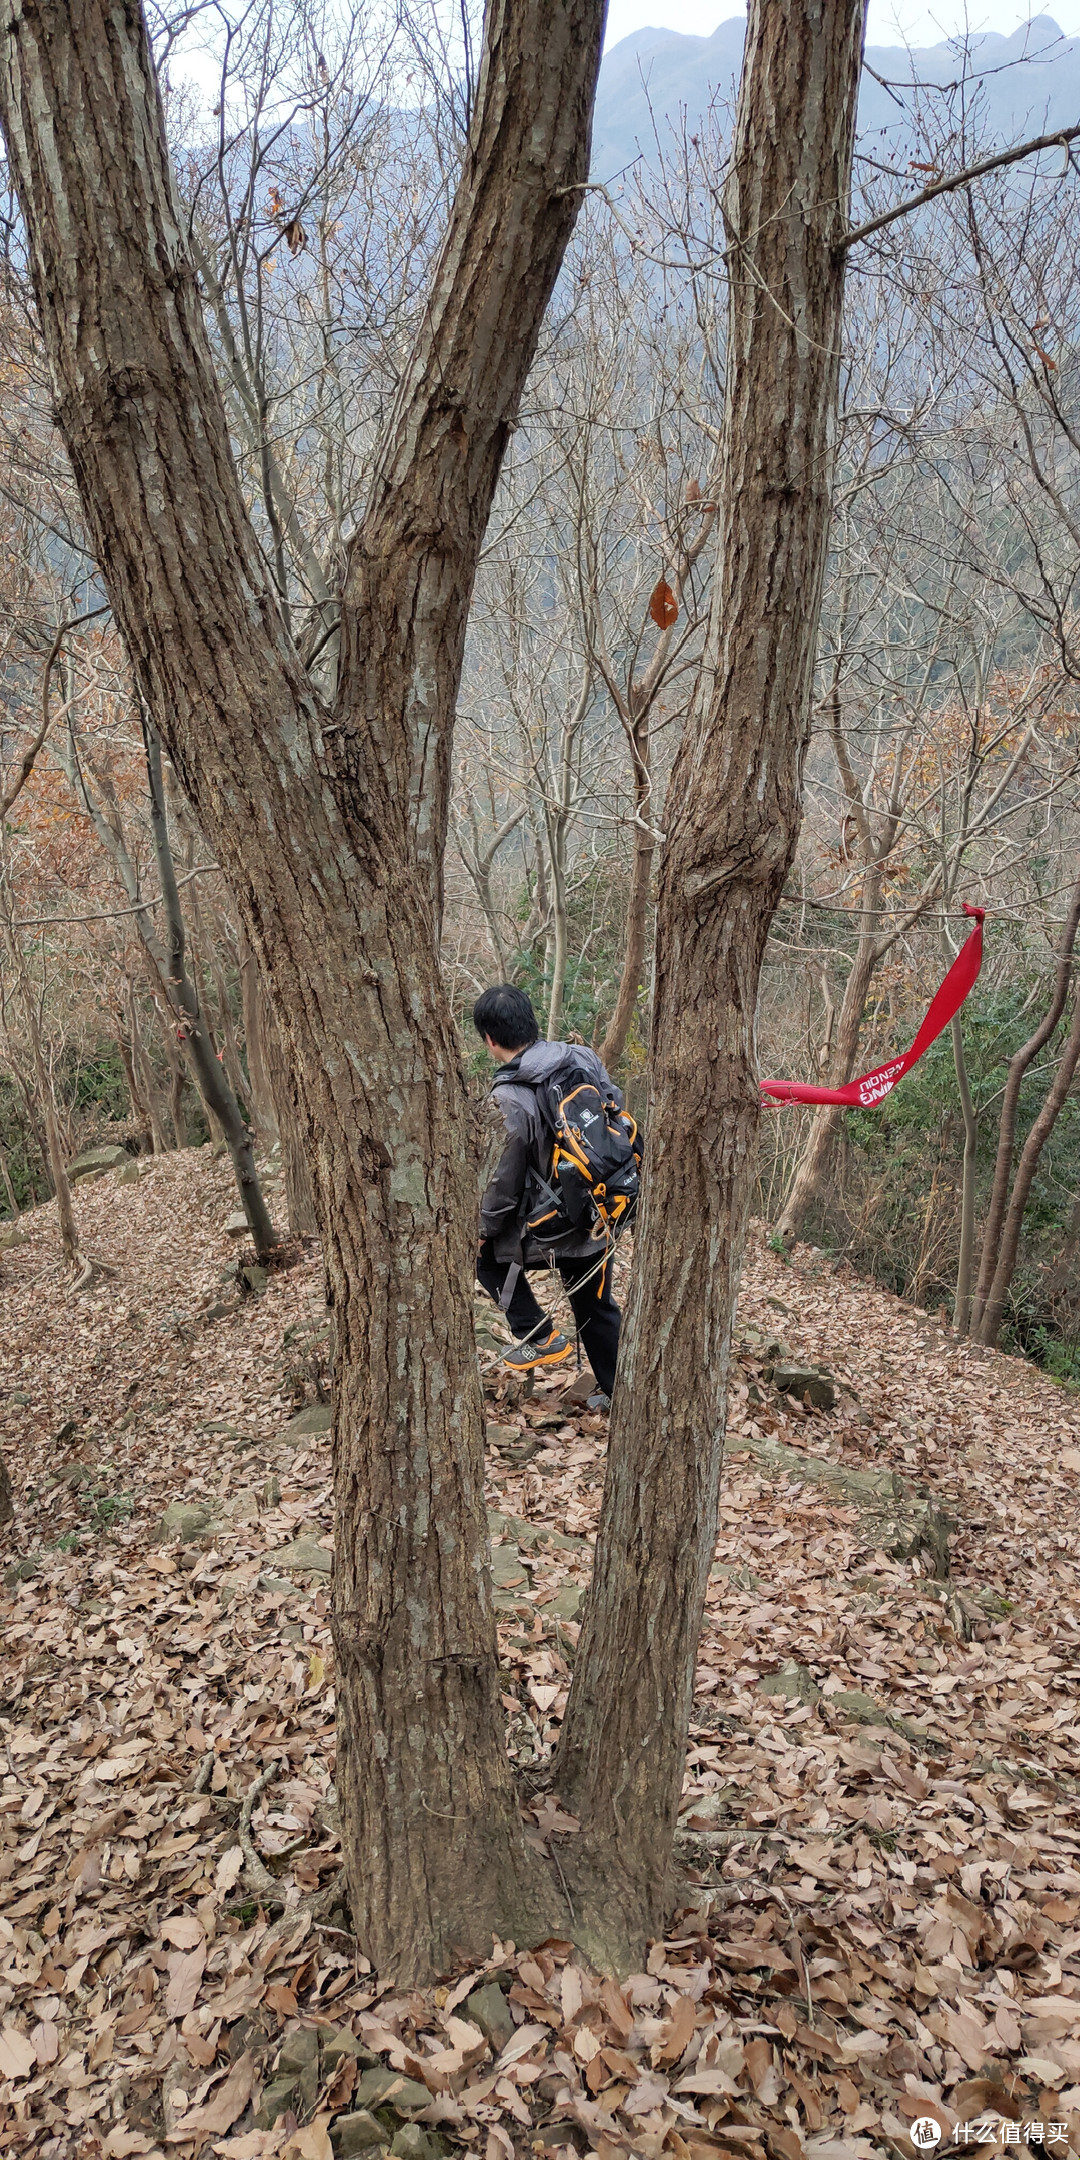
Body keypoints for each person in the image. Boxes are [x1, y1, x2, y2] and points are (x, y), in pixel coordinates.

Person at [474, 984, 622, 1405]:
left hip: (552, 1227)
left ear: (489, 1039)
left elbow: (502, 1182)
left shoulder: (507, 1099)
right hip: (600, 1207)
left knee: (483, 1256)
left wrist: (483, 1229)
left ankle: (537, 1334)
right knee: (596, 1307)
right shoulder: (581, 1058)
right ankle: (624, 1395)